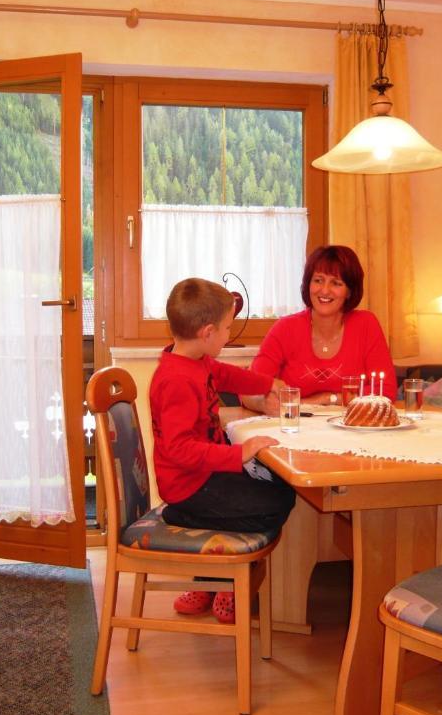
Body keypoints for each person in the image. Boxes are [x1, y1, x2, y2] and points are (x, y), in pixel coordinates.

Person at [150, 278, 297, 623]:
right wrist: (239, 453)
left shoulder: (194, 361)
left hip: (205, 476)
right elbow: (178, 450)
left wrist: (268, 383)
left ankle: (210, 577)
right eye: (228, 328)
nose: (229, 335)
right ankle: (220, 574)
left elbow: (227, 376)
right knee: (280, 501)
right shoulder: (176, 381)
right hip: (190, 487)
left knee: (278, 487)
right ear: (208, 332)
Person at [241, 245, 395, 414]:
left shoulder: (366, 324)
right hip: (297, 428)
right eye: (318, 280)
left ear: (349, 291)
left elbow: (386, 392)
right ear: (308, 284)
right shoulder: (285, 328)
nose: (325, 290)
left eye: (336, 283)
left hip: (354, 429)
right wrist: (263, 404)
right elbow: (247, 388)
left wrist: (327, 399)